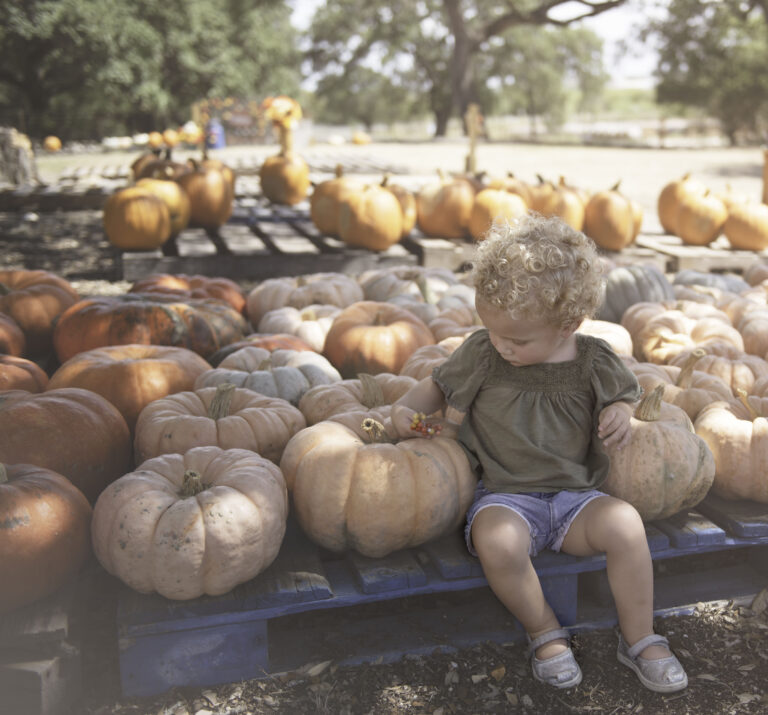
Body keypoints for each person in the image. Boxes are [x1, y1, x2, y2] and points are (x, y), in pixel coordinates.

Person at [390, 213, 688, 693]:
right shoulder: (484, 353)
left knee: (627, 526)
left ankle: (640, 638)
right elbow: (435, 388)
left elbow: (623, 395)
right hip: (506, 495)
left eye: (518, 339)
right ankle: (545, 631)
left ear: (568, 324)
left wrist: (619, 411)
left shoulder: (593, 359)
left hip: (576, 498)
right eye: (494, 331)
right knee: (498, 542)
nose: (503, 345)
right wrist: (404, 411)